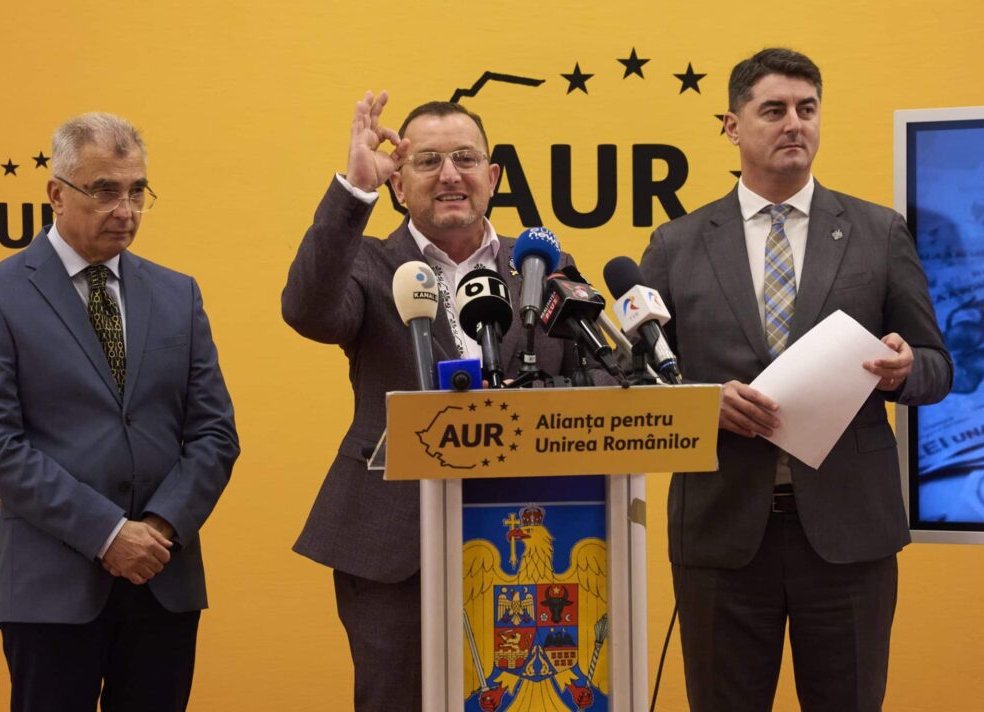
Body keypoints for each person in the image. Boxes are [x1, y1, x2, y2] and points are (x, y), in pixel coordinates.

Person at [640, 48, 952, 712]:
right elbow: (634, 382)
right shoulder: (677, 244)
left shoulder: (877, 232)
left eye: (807, 109)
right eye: (774, 109)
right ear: (732, 126)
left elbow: (937, 365)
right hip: (722, 533)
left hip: (850, 537)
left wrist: (904, 370)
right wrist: (701, 404)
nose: (794, 124)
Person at [282, 92, 591, 709]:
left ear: (492, 177)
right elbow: (308, 310)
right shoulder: (368, 263)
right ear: (398, 184)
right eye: (427, 161)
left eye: (465, 159)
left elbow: (594, 376)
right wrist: (354, 192)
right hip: (394, 542)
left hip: (527, 534)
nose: (450, 175)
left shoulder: (541, 265)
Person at [0, 112, 240, 712]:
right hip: (52, 589)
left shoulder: (178, 293)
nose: (125, 210)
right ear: (57, 193)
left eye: (137, 191)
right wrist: (107, 534)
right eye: (105, 190)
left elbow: (215, 433)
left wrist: (158, 529)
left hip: (162, 579)